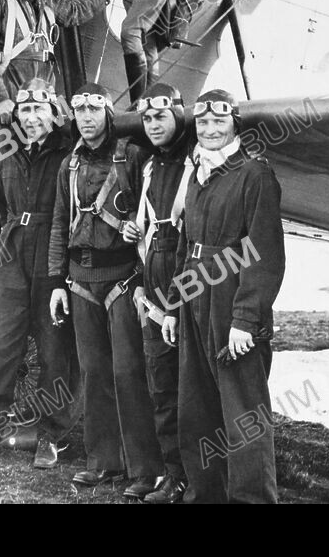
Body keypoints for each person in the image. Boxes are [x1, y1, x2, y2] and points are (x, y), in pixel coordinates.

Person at [160, 89, 285, 504]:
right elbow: (186, 245)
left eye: (219, 122)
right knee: (196, 408)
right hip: (195, 293)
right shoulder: (198, 172)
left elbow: (263, 250)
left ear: (234, 123)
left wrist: (245, 320)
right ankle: (206, 494)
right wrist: (174, 309)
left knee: (243, 413)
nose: (210, 130)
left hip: (231, 298)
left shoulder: (254, 174)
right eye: (202, 123)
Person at [0, 0, 117, 262]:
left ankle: (45, 247)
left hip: (42, 99)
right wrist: (0, 97)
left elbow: (71, 12)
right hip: (6, 98)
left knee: (45, 168)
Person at [48, 82, 162, 499]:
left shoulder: (132, 157)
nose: (87, 118)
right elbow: (61, 225)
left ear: (108, 115)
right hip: (80, 283)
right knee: (94, 373)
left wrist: (138, 232)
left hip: (122, 280)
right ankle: (102, 462)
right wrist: (57, 283)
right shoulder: (70, 166)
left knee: (128, 373)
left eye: (94, 110)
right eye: (79, 111)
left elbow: (155, 209)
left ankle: (146, 469)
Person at [0, 79, 76, 470]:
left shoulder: (66, 149)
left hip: (52, 245)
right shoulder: (4, 147)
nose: (30, 117)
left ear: (51, 114)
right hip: (12, 244)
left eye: (39, 110)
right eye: (24, 110)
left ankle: (50, 436)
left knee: (53, 347)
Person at [121, 83, 193, 503]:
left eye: (161, 116)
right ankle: (174, 474)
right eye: (146, 119)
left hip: (188, 282)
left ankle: (204, 474)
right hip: (153, 286)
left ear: (179, 115)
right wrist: (135, 229)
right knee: (162, 389)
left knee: (195, 390)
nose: (153, 125)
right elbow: (145, 227)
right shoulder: (148, 167)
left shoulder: (198, 162)